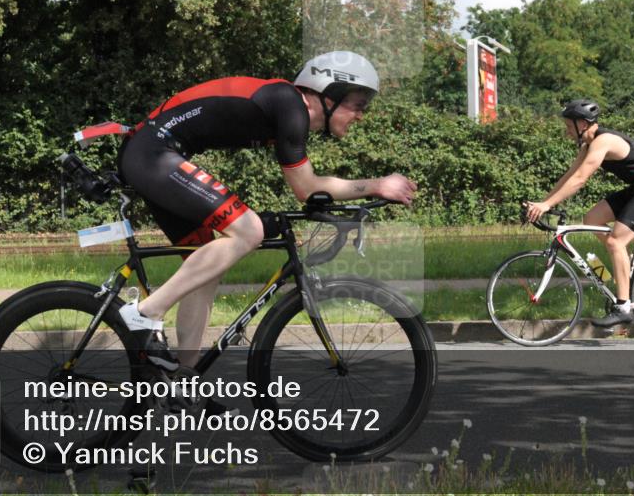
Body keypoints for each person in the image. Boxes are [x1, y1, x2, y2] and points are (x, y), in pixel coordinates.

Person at [116, 51, 417, 370]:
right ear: (329, 96)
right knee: (249, 230)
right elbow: (307, 188)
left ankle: (184, 381)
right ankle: (145, 314)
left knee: (205, 267)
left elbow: (308, 187)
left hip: (153, 153)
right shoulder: (290, 105)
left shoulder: (286, 107)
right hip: (152, 153)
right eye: (358, 106)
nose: (361, 116)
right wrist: (378, 184)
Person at [524, 99, 634, 327]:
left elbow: (581, 179)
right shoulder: (588, 146)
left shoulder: (604, 141)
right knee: (591, 219)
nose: (566, 133)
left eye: (568, 127)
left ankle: (623, 307)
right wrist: (544, 203)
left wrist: (546, 205)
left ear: (582, 123)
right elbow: (569, 177)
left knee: (614, 243)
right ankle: (621, 269)